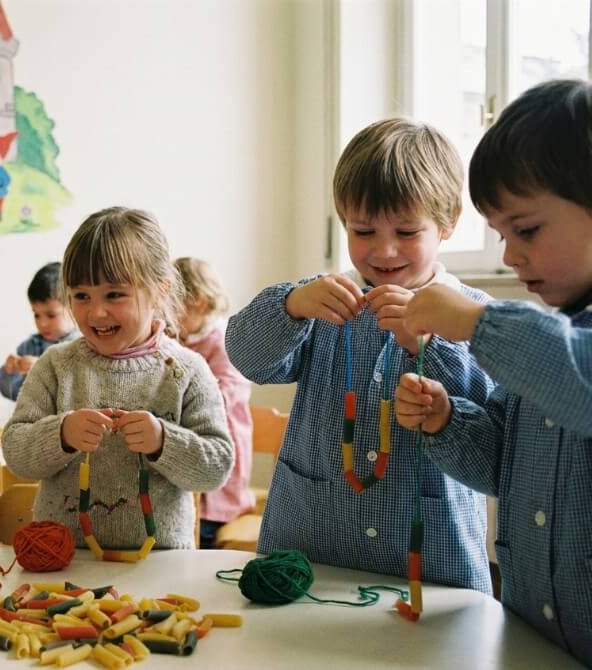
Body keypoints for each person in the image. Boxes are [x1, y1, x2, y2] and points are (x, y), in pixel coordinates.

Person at [226, 118, 494, 592]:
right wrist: (291, 306)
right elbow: (248, 359)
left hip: (431, 568)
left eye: (407, 231)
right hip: (311, 552)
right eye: (364, 230)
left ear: (449, 221)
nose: (384, 251)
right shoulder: (322, 301)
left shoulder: (475, 315)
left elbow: (488, 420)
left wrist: (429, 348)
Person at [395, 79, 592, 665]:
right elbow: (499, 466)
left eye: (526, 230)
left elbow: (580, 382)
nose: (509, 256)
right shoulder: (541, 341)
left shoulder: (541, 347)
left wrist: (475, 321)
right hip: (531, 639)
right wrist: (446, 421)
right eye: (502, 235)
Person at [2, 207, 234, 550]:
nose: (96, 312)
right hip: (66, 559)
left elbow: (217, 466)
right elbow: (16, 452)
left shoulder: (186, 370)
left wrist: (164, 442)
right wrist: (61, 434)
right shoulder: (56, 366)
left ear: (160, 291)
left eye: (114, 294)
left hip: (160, 563)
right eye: (81, 296)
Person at [174, 257, 254, 548]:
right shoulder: (177, 337)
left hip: (218, 441)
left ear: (198, 302)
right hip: (184, 446)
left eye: (173, 307)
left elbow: (223, 397)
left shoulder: (224, 341)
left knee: (205, 519)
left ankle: (205, 534)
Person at [0, 261, 78, 401]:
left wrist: (42, 371)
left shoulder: (82, 347)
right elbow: (14, 395)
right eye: (36, 315)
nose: (42, 323)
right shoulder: (28, 348)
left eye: (51, 315)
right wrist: (10, 372)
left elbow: (78, 393)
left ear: (74, 308)